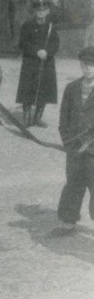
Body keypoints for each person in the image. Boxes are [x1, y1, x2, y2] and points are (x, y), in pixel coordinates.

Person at [57, 46, 94, 231]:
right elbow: (63, 118)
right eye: (85, 65)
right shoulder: (71, 88)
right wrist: (67, 141)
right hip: (74, 149)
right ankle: (67, 221)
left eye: (92, 65)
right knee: (73, 183)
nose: (89, 68)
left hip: (93, 151)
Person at [16, 0, 60, 127]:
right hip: (30, 63)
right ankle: (27, 118)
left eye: (44, 9)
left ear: (48, 12)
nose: (41, 12)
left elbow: (55, 43)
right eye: (38, 10)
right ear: (34, 11)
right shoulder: (27, 25)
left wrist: (48, 52)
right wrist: (36, 51)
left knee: (44, 89)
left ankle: (38, 118)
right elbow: (22, 43)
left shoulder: (52, 27)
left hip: (46, 62)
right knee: (27, 89)